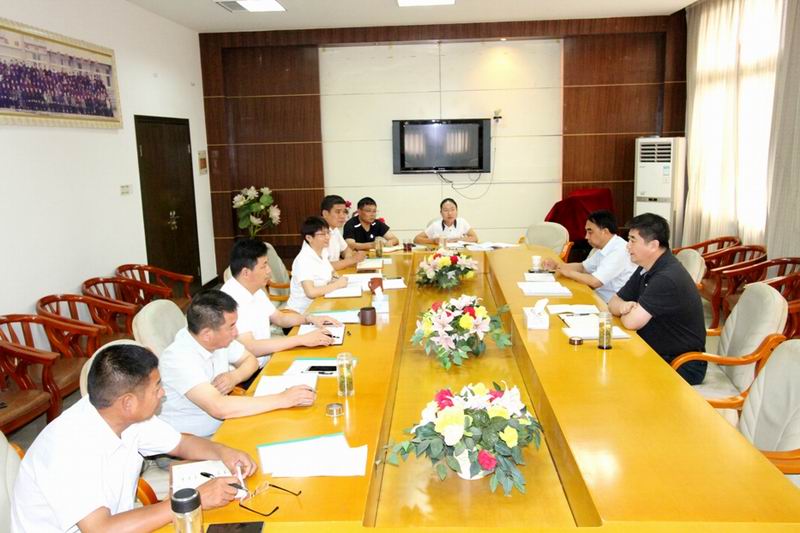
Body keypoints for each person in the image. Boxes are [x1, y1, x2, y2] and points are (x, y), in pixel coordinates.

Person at [11, 343, 256, 533]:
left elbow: (181, 443)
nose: (162, 393)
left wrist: (223, 452)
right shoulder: (68, 448)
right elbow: (100, 529)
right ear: (127, 402)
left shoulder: (120, 413)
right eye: (156, 387)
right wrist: (194, 499)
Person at [159, 290, 316, 437]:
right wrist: (283, 399)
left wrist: (235, 376)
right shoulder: (178, 358)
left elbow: (250, 360)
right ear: (207, 334)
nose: (236, 332)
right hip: (196, 439)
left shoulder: (217, 338)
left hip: (227, 421)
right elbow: (218, 407)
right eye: (231, 326)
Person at [608, 213, 707, 385]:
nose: (627, 246)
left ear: (653, 245)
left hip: (681, 364)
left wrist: (626, 312)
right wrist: (625, 307)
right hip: (654, 351)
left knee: (615, 375)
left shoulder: (667, 277)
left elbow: (631, 322)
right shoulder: (646, 267)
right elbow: (613, 302)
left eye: (632, 240)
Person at [221, 238, 342, 367]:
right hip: (249, 372)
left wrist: (310, 319)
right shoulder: (230, 300)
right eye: (264, 266)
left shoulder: (255, 289)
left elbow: (280, 318)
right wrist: (301, 339)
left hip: (265, 361)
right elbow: (250, 347)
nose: (269, 270)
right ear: (246, 272)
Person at [542, 210, 636, 302]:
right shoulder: (604, 247)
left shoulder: (619, 251)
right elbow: (583, 267)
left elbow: (595, 282)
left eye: (590, 232)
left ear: (605, 231)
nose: (586, 237)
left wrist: (569, 273)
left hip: (610, 304)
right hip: (598, 297)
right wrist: (557, 266)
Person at [286, 216, 350, 314]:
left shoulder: (322, 252)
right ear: (309, 238)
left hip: (321, 304)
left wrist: (337, 279)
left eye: (328, 233)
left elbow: (332, 273)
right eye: (322, 234)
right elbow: (311, 292)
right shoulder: (304, 260)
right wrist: (337, 284)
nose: (327, 237)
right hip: (302, 313)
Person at [320, 194, 367, 269]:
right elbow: (323, 266)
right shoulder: (318, 233)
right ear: (325, 213)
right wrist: (352, 260)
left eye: (344, 212)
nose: (342, 216)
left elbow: (346, 249)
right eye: (338, 212)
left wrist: (348, 258)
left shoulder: (334, 229)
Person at [413, 198, 479, 245]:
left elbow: (475, 238)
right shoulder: (435, 225)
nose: (449, 213)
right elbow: (416, 239)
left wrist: (457, 240)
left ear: (457, 211)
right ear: (441, 213)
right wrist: (433, 241)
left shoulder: (462, 222)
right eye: (446, 210)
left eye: (452, 209)